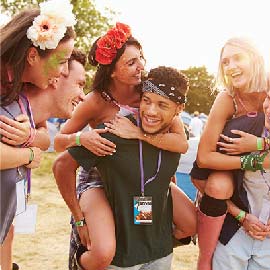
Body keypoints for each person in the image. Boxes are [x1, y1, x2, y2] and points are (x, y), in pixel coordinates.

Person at [53, 23, 193, 270]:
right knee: (105, 251)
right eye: (130, 63)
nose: (140, 66)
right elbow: (58, 143)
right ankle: (82, 258)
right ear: (112, 71)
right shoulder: (95, 101)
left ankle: (146, 251)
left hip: (143, 178)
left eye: (140, 58)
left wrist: (138, 134)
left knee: (191, 224)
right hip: (100, 177)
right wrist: (80, 139)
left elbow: (180, 142)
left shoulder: (151, 92)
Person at [0, 1, 77, 269]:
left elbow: (44, 135)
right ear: (32, 56)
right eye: (62, 61)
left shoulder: (19, 86)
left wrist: (32, 136)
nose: (64, 72)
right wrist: (31, 153)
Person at [189, 37, 268, 270]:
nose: (231, 66)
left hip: (256, 173)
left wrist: (258, 144)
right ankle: (204, 261)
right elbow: (203, 157)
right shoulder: (227, 98)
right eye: (225, 62)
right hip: (223, 169)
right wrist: (248, 159)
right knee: (217, 186)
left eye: (238, 58)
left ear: (255, 58)